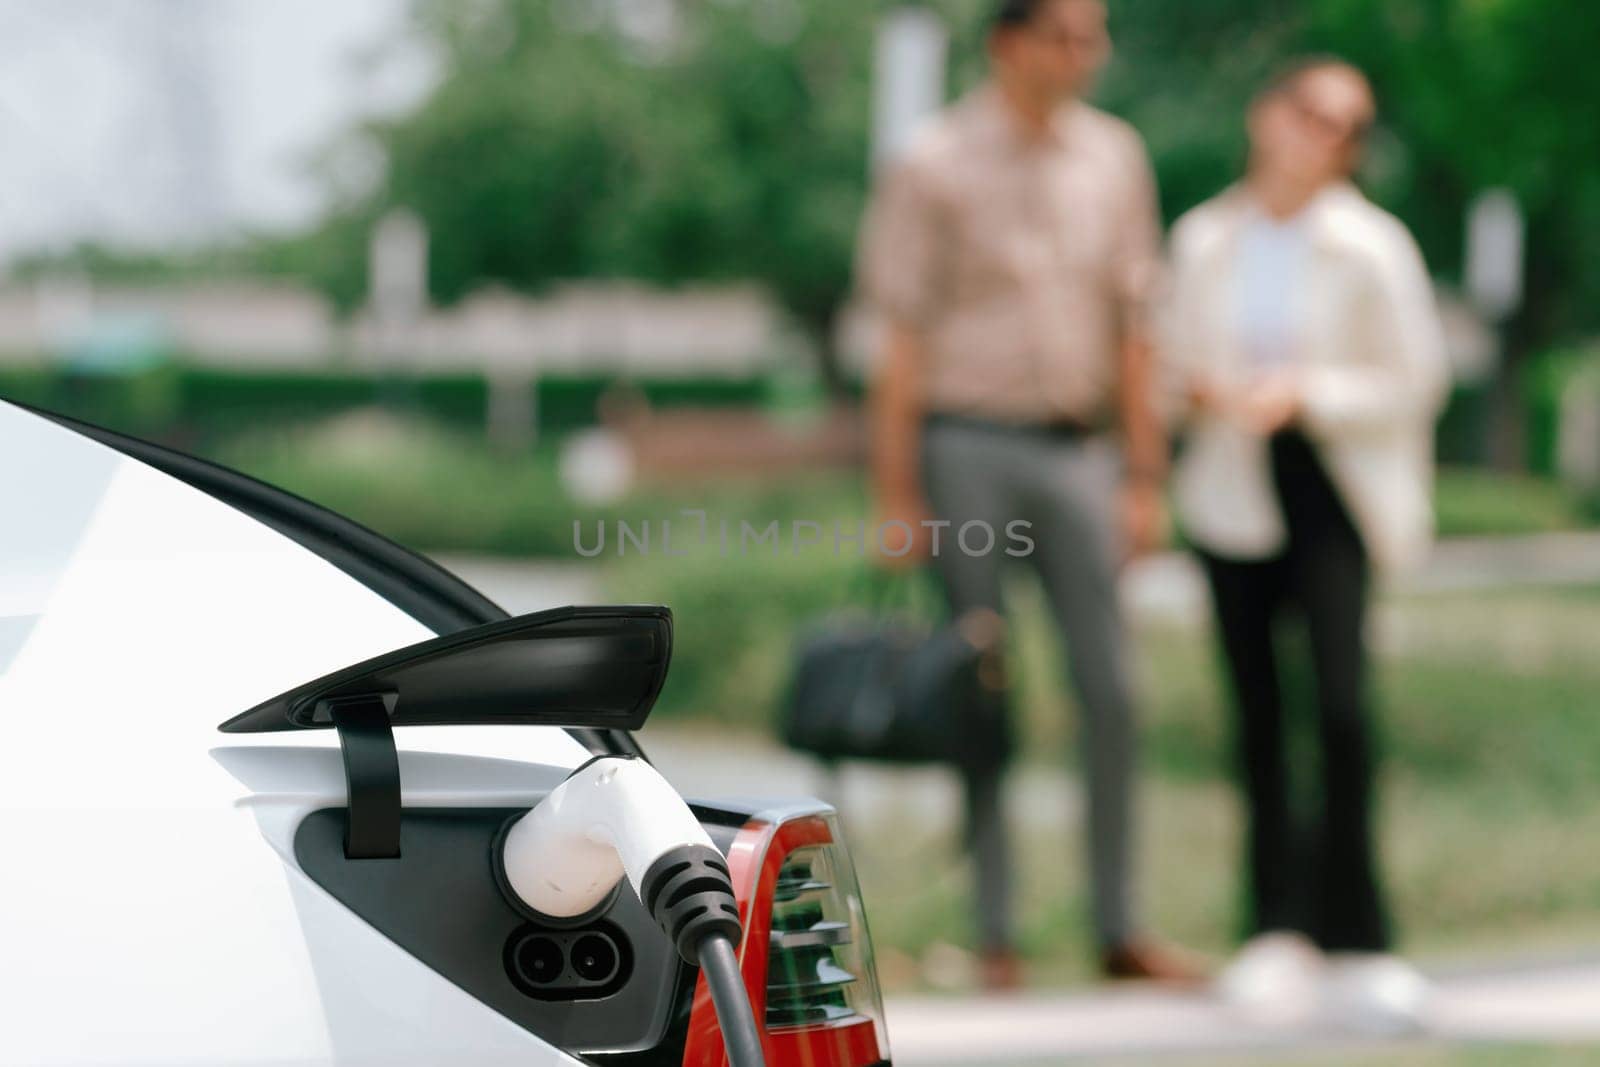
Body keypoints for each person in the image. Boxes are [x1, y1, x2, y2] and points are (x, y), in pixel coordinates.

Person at [856, 0, 1199, 987]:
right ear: (1008, 42)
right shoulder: (933, 161)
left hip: (1077, 451)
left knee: (1113, 689)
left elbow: (1138, 324)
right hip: (964, 442)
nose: (1088, 53)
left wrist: (1143, 474)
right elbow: (902, 338)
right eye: (1068, 33)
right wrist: (895, 491)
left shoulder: (1114, 157)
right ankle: (995, 930)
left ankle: (1118, 924)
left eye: (1094, 35)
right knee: (981, 687)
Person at [1164, 58, 1449, 1029]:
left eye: (1345, 125)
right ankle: (1273, 930)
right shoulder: (1204, 238)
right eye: (1310, 114)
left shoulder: (1372, 246)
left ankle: (1358, 934)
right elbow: (1165, 358)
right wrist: (1201, 389)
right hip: (1229, 487)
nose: (1322, 136)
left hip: (1332, 486)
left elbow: (1415, 378)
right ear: (1266, 115)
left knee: (1339, 710)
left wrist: (1309, 393)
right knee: (1255, 714)